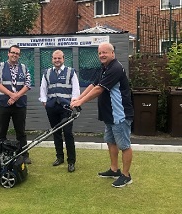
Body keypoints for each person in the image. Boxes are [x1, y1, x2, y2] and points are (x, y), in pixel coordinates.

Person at [70, 42, 134, 187]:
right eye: (100, 53)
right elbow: (93, 85)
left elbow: (99, 89)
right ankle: (114, 169)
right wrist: (78, 98)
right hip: (109, 114)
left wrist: (81, 103)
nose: (102, 55)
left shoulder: (116, 68)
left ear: (113, 53)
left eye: (105, 52)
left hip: (120, 114)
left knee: (124, 145)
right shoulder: (104, 68)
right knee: (110, 141)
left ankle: (126, 175)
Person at [39, 50, 80, 172]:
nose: (57, 60)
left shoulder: (70, 72)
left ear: (63, 59)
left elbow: (76, 89)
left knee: (67, 133)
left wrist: (74, 101)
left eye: (59, 58)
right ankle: (59, 157)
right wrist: (44, 102)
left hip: (66, 107)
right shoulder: (47, 72)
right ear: (52, 59)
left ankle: (71, 161)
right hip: (52, 107)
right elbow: (43, 88)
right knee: (56, 132)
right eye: (55, 58)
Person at [0, 44, 32, 164]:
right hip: (2, 105)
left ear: (19, 55)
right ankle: (0, 154)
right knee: (1, 132)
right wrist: (11, 95)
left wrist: (16, 97)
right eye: (13, 52)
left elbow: (28, 84)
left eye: (17, 53)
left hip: (19, 106)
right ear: (8, 53)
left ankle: (24, 155)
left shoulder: (24, 68)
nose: (15, 55)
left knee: (21, 132)